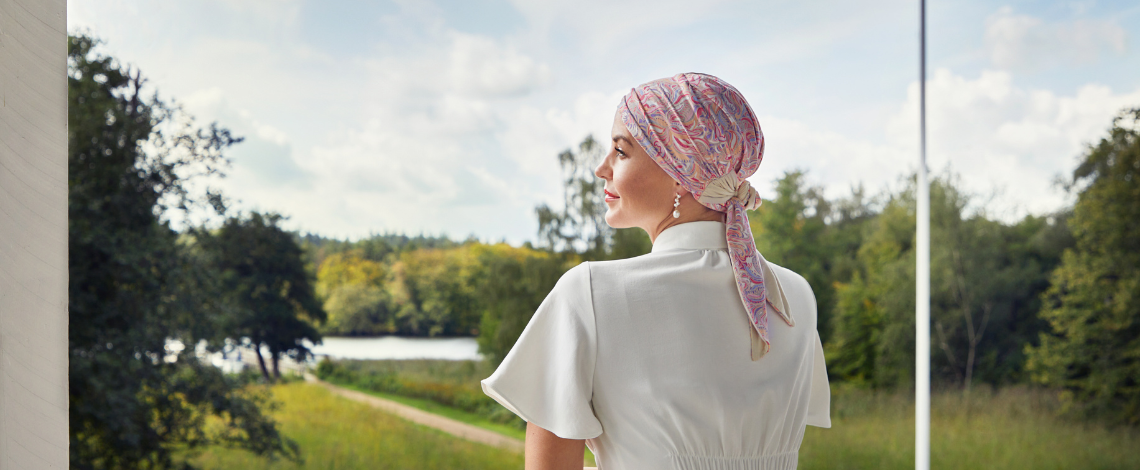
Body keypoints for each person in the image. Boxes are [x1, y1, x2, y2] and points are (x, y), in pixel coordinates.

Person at [481, 73, 830, 470]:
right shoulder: (795, 295)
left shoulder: (591, 293)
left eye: (621, 151)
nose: (601, 168)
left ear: (679, 171)